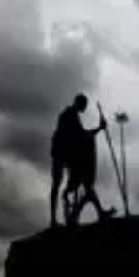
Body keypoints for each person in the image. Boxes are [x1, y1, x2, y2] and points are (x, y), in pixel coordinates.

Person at [50, 93, 114, 227]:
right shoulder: (69, 115)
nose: (85, 109)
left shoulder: (72, 115)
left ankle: (100, 212)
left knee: (85, 182)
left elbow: (82, 135)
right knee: (57, 184)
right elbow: (82, 135)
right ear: (79, 103)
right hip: (61, 153)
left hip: (68, 154)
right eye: (84, 106)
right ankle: (53, 219)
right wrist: (100, 128)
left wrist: (98, 129)